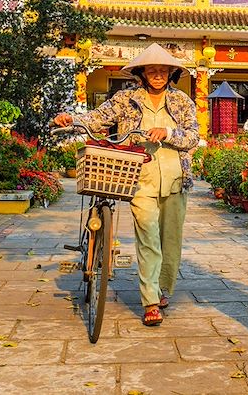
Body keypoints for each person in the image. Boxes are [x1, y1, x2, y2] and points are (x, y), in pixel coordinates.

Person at [54, 43, 199, 327]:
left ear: (171, 73)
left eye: (163, 70)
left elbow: (192, 137)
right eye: (152, 70)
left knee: (170, 240)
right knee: (147, 237)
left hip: (175, 177)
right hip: (138, 177)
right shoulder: (126, 99)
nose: (158, 74)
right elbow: (97, 118)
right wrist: (72, 119)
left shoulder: (183, 102)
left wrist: (168, 132)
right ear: (142, 73)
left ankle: (163, 288)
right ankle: (150, 300)